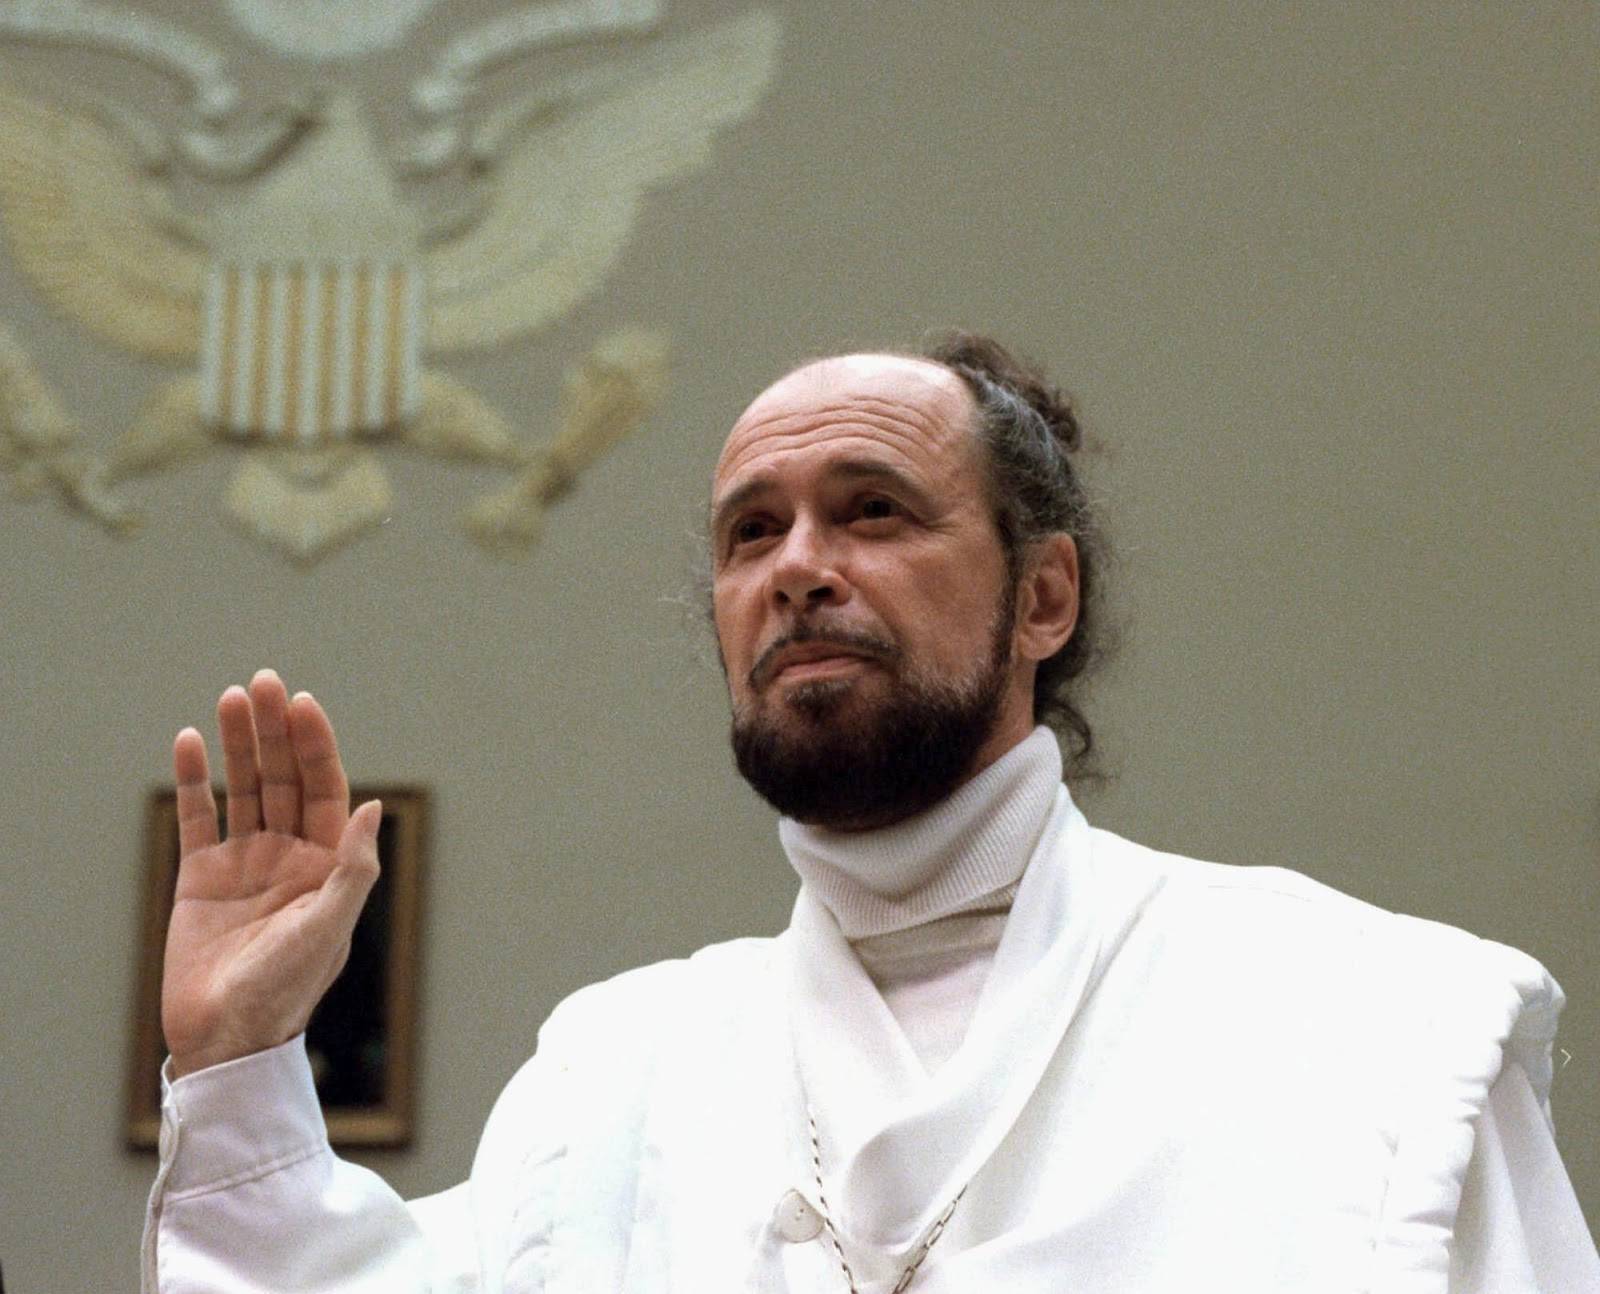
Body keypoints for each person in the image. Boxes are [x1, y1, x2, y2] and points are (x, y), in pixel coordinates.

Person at [143, 335, 1598, 1292]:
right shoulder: (617, 1075)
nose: (796, 566)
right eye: (750, 532)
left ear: (1044, 596)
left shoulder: (1367, 1024)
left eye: (874, 509)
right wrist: (238, 1063)